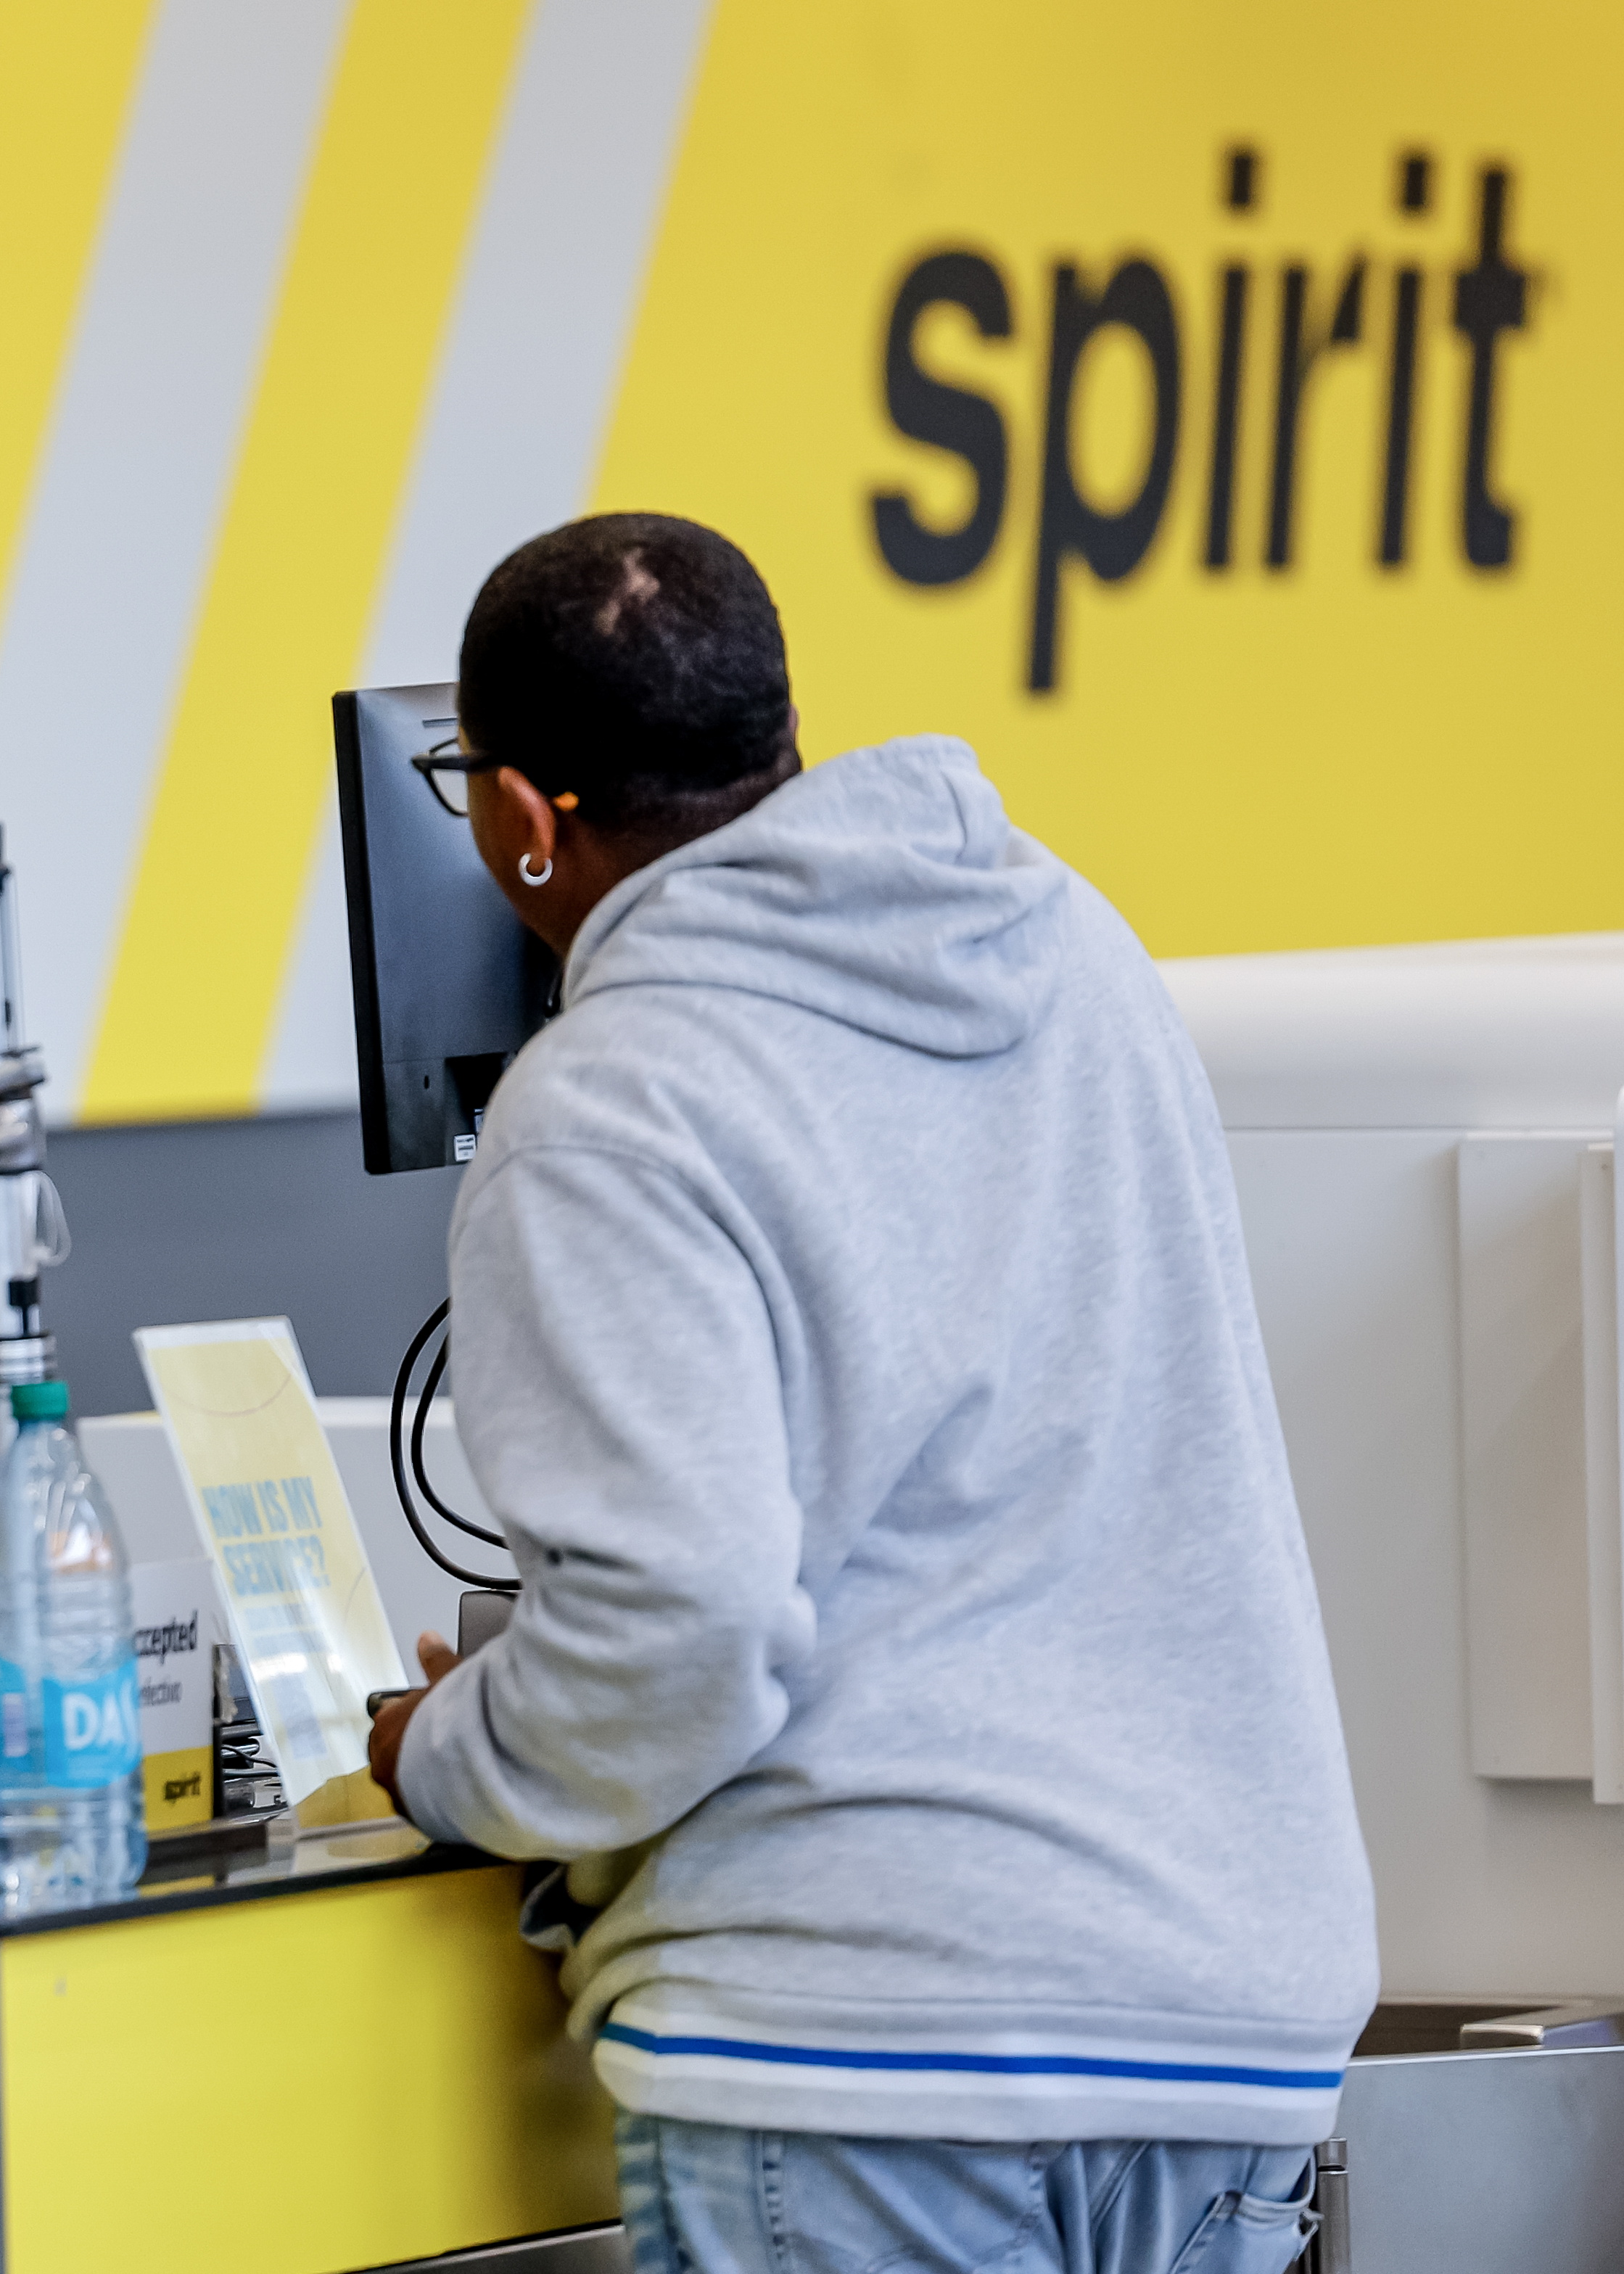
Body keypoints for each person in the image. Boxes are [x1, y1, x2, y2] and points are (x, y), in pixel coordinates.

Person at [366, 516, 1372, 2272]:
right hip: (1229, 2013)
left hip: (873, 2047)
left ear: (525, 820)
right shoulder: (1067, 943)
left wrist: (450, 1748)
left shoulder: (608, 1099)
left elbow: (677, 1632)